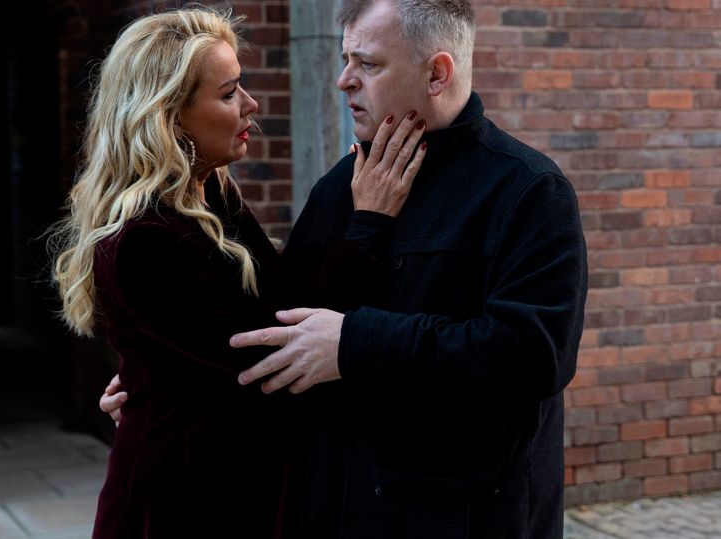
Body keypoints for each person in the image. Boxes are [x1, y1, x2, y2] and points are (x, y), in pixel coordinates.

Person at [103, 0, 587, 537]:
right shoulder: (341, 186)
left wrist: (355, 343)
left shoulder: (526, 190)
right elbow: (280, 324)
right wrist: (162, 375)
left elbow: (535, 355)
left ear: (437, 74)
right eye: (344, 59)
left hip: (462, 519)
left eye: (368, 64)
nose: (343, 81)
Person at [52, 6, 427, 539]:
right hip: (181, 505)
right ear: (169, 116)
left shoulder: (211, 192)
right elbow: (282, 351)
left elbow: (279, 301)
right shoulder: (145, 239)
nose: (251, 104)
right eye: (228, 93)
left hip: (232, 487)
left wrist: (154, 375)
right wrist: (368, 222)